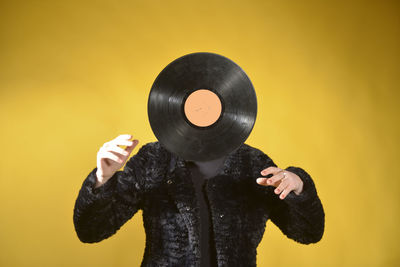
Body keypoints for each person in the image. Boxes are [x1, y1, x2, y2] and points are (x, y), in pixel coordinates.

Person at [73, 134, 325, 266]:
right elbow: (91, 230)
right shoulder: (153, 160)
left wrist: (299, 186)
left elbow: (308, 233)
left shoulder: (253, 164)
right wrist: (102, 178)